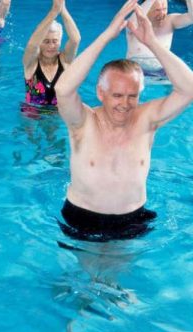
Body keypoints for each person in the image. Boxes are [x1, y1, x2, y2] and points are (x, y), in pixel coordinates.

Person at [55, 0, 193, 242]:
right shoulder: (84, 121)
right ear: (100, 92)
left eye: (132, 96)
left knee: (118, 278)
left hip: (132, 217)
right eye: (117, 95)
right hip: (82, 216)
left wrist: (152, 42)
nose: (125, 104)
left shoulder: (147, 119)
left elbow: (189, 89)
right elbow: (63, 89)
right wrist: (108, 35)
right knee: (82, 278)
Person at [22, 0, 80, 109]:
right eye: (46, 41)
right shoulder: (31, 63)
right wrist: (53, 12)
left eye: (55, 41)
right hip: (32, 115)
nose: (51, 46)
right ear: (40, 42)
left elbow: (75, 40)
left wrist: (62, 9)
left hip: (57, 115)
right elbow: (32, 45)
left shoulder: (65, 60)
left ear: (60, 42)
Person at [126, 0, 193, 76]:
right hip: (137, 72)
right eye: (157, 10)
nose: (162, 14)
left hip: (162, 73)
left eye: (164, 9)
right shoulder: (134, 24)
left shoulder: (170, 21)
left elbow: (191, 17)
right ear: (146, 10)